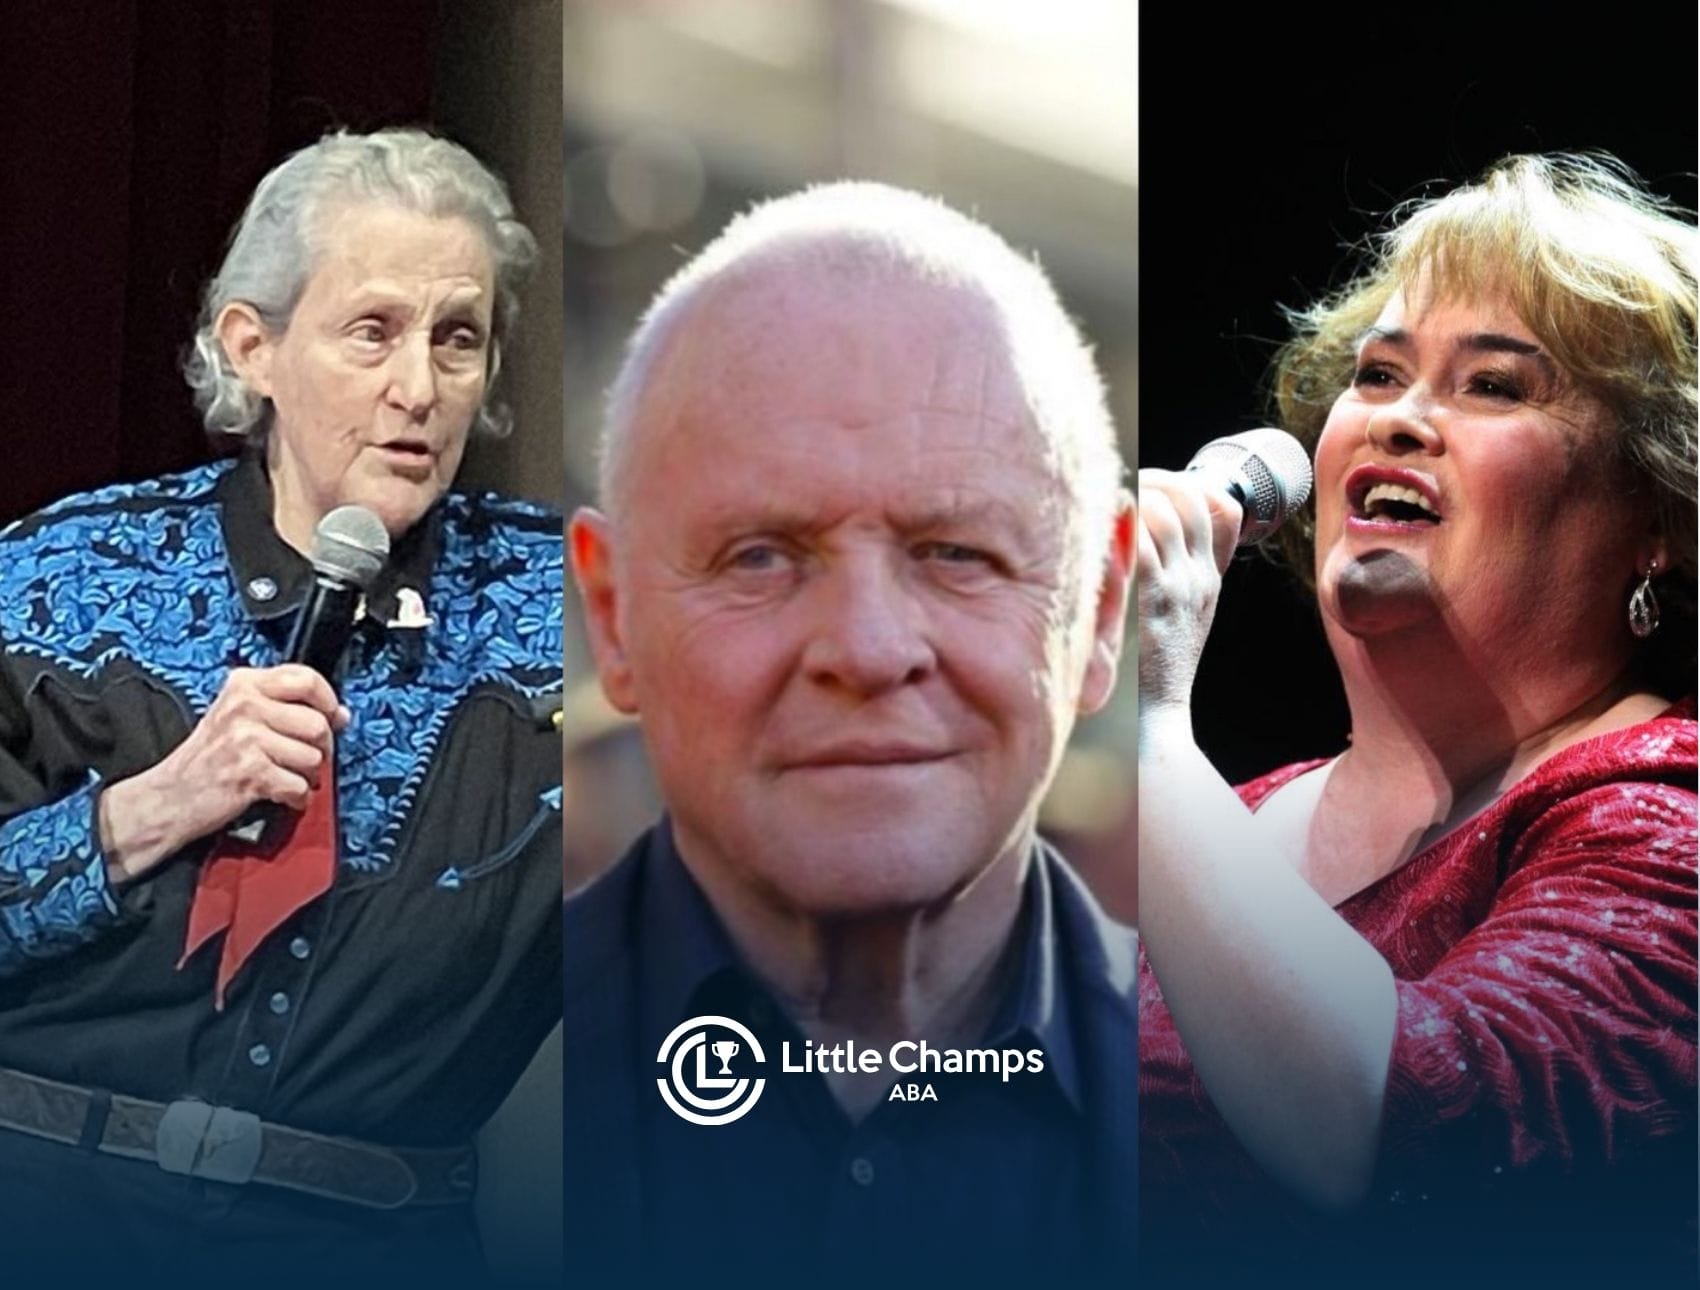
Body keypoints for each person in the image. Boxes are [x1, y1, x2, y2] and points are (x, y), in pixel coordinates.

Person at [0, 129, 563, 1276]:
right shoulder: (55, 583)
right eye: (373, 331)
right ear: (251, 346)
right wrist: (148, 811)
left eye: (458, 339)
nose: (419, 387)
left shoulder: (583, 623)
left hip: (365, 1244)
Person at [1136, 153, 1697, 1282]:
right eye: (1377, 375)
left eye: (1492, 387)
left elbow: (1400, 1134)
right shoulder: (1221, 815)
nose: (1399, 420)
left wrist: (1143, 730)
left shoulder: (1660, 814)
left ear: (1654, 515)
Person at [566, 182, 1138, 1281]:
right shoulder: (432, 1086)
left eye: (955, 553)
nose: (869, 649)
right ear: (612, 618)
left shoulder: (1262, 1127)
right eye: (761, 555)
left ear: (1100, 608)